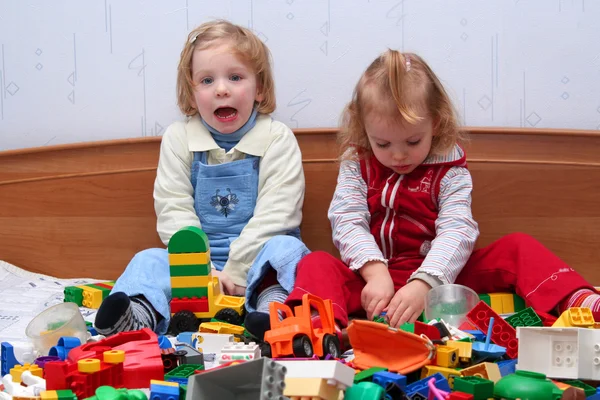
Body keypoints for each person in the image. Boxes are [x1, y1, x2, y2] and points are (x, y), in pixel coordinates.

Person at [284, 49, 600, 333]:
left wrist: (426, 283)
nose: (398, 155)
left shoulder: (450, 170)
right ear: (362, 128)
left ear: (435, 123)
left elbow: (457, 229)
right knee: (317, 262)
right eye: (383, 144)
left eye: (412, 142)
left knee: (518, 246)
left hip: (442, 279)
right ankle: (317, 327)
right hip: (375, 282)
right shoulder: (357, 163)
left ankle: (577, 299)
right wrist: (375, 272)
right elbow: (346, 219)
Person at [94, 20, 309, 338]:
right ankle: (138, 315)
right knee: (148, 260)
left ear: (259, 87)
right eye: (207, 80)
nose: (222, 89)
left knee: (286, 250)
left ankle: (270, 310)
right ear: (192, 95)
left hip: (256, 260)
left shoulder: (276, 138)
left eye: (235, 77)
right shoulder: (179, 139)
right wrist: (200, 273)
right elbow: (173, 207)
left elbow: (278, 213)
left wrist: (236, 271)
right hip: (194, 267)